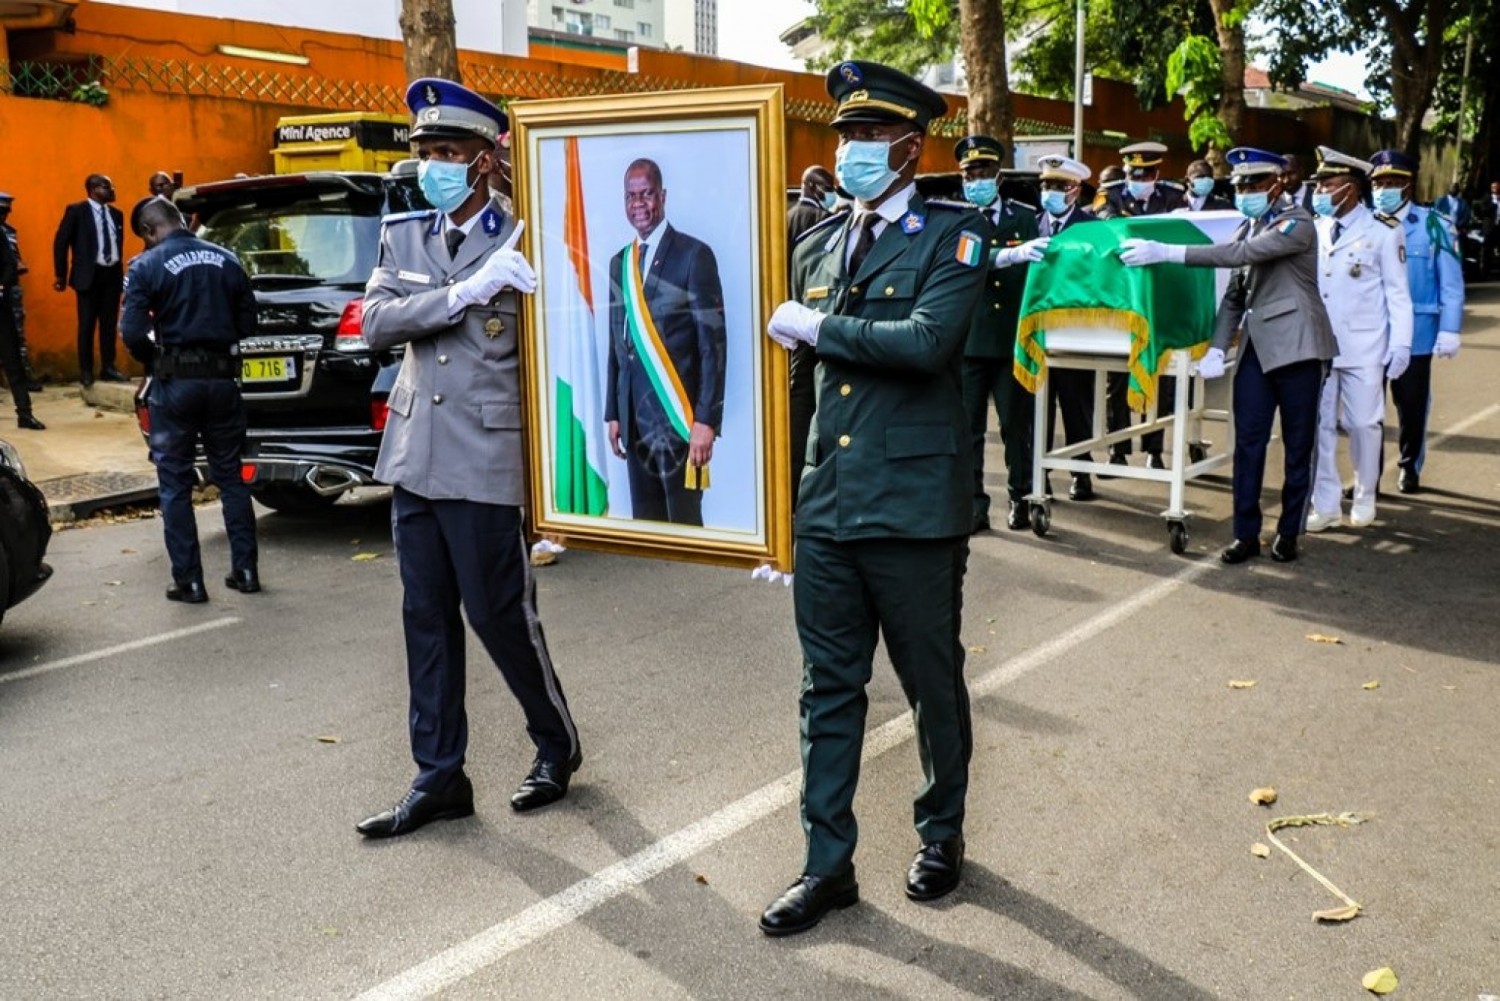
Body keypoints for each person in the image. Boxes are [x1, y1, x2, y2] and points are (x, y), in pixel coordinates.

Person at [758, 60, 986, 937]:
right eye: (843, 134)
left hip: (915, 503)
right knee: (827, 689)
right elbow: (799, 392)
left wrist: (820, 326)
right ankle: (826, 865)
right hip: (828, 504)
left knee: (930, 679)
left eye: (867, 135)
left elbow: (928, 343)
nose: (851, 149)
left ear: (909, 144)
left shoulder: (954, 235)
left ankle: (941, 830)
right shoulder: (814, 243)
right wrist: (776, 504)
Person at [355, 78, 581, 839]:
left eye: (448, 152)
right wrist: (460, 295)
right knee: (425, 618)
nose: (433, 165)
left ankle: (555, 745)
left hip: (488, 456)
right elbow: (377, 324)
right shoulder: (405, 234)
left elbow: (565, 348)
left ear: (486, 161)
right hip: (415, 454)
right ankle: (438, 774)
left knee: (498, 615)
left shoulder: (530, 238)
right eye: (425, 152)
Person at [1119, 147, 1334, 564]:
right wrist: (1218, 346)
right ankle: (1245, 534)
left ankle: (1289, 531)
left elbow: (1243, 258)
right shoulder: (1244, 229)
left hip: (1298, 348)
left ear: (1275, 185)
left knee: (1297, 445)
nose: (1245, 192)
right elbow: (1234, 299)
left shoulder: (1297, 223)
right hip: (1256, 350)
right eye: (1239, 186)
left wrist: (1169, 252)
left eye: (1253, 185)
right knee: (1248, 443)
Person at [120, 197, 258, 600]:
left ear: (148, 231)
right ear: (180, 220)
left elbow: (131, 334)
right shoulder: (228, 259)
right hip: (222, 382)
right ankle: (246, 571)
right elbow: (248, 323)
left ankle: (190, 580)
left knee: (175, 484)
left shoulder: (145, 266)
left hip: (174, 385)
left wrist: (159, 360)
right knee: (231, 477)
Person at [604, 158, 727, 526]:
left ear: (663, 196)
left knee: (684, 528)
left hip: (679, 419)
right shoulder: (619, 263)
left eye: (646, 194)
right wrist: (613, 412)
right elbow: (617, 343)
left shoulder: (694, 255)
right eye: (630, 196)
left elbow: (712, 347)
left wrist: (706, 420)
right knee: (647, 527)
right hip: (633, 419)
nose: (638, 204)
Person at [1298, 148, 1412, 532]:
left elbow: (1398, 293)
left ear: (1349, 189)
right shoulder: (1315, 229)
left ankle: (1365, 495)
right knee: (1319, 426)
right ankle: (1325, 502)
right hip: (1319, 346)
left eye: (1327, 185)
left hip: (1365, 348)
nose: (1319, 191)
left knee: (1364, 424)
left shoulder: (1383, 230)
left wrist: (1402, 344)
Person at [953, 134, 1045, 531]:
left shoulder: (1025, 217)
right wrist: (1007, 255)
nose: (976, 179)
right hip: (969, 341)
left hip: (1012, 339)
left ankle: (1019, 498)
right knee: (969, 431)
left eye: (984, 172)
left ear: (999, 176)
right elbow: (965, 261)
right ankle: (975, 503)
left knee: (1014, 427)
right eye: (969, 173)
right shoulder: (954, 219)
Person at [1369, 150, 1464, 496]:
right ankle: (1369, 474)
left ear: (1408, 185)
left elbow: (1450, 284)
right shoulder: (1364, 223)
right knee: (1366, 408)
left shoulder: (1435, 225)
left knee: (1410, 406)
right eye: (1379, 182)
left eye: (1393, 182)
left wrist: (1450, 329)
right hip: (1370, 330)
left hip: (1418, 333)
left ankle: (1410, 465)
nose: (1384, 189)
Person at [1097, 142, 1186, 471]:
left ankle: (1155, 448)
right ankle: (1117, 446)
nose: (1140, 178)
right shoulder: (1110, 195)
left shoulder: (1174, 198)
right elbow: (1107, 224)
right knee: (1118, 377)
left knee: (1161, 374)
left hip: (1161, 295)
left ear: (1157, 174)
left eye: (1146, 173)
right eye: (1135, 173)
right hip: (1122, 296)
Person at [1035, 154, 1099, 500]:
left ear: (1074, 190)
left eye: (1058, 186)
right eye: (1045, 185)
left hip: (1076, 330)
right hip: (1038, 330)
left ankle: (1081, 470)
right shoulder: (1032, 224)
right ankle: (1039, 473)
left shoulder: (1090, 227)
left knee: (1075, 403)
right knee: (1037, 408)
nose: (1050, 192)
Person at [787, 164, 838, 505]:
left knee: (795, 392)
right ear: (815, 187)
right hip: (812, 315)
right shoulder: (819, 220)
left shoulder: (786, 216)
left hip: (786, 314)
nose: (830, 191)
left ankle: (789, 487)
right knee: (812, 399)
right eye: (826, 186)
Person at [53, 174, 128, 386]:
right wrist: (60, 274)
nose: (112, 190)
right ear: (94, 189)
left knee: (109, 324)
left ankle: (108, 367)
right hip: (88, 276)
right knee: (86, 324)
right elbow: (61, 242)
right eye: (108, 187)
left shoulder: (117, 214)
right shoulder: (77, 211)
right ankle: (86, 370)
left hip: (111, 275)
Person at [0, 202, 42, 430]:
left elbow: (10, 265)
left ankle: (25, 413)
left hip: (1, 310)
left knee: (13, 362)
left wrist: (0, 287)